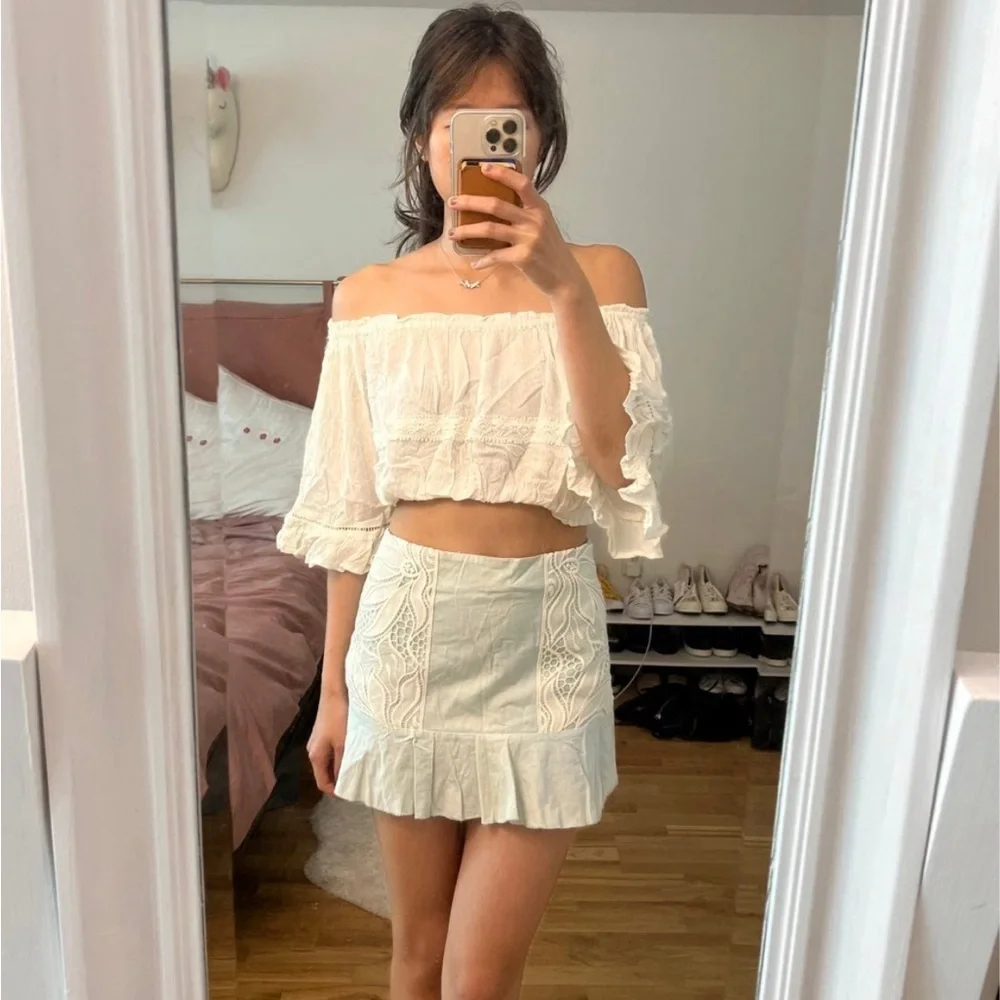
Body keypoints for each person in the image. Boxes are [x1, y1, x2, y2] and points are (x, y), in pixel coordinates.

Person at [278, 6, 670, 999]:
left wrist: (563, 288)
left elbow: (618, 463)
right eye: (460, 121)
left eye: (509, 123)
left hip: (547, 646)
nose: (486, 147)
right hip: (409, 640)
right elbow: (345, 511)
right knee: (418, 955)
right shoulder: (368, 297)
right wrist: (334, 694)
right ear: (423, 138)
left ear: (540, 137)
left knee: (481, 974)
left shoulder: (603, 275)